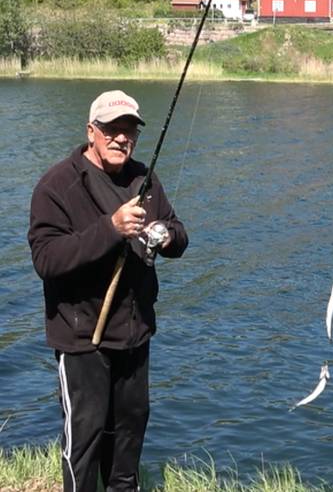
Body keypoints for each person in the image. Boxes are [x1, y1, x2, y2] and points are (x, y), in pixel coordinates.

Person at [28, 90, 188, 492]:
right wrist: (110, 229)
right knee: (85, 436)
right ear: (91, 131)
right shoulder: (57, 185)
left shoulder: (144, 180)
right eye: (111, 130)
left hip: (135, 334)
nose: (121, 139)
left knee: (129, 433)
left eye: (129, 131)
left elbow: (179, 235)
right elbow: (46, 259)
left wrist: (165, 235)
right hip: (83, 336)